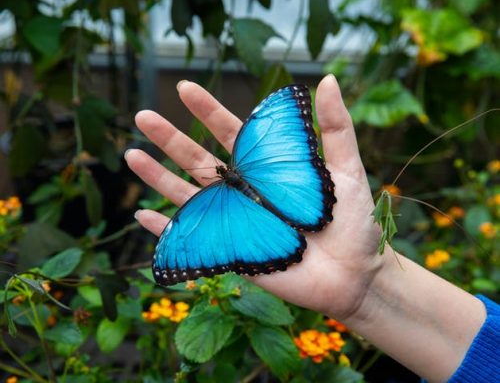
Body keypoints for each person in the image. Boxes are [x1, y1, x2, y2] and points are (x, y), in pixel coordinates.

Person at [125, 75, 499, 383]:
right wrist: (372, 286)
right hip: (294, 193)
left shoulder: (206, 207)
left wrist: (373, 281)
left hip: (275, 221)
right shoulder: (247, 153)